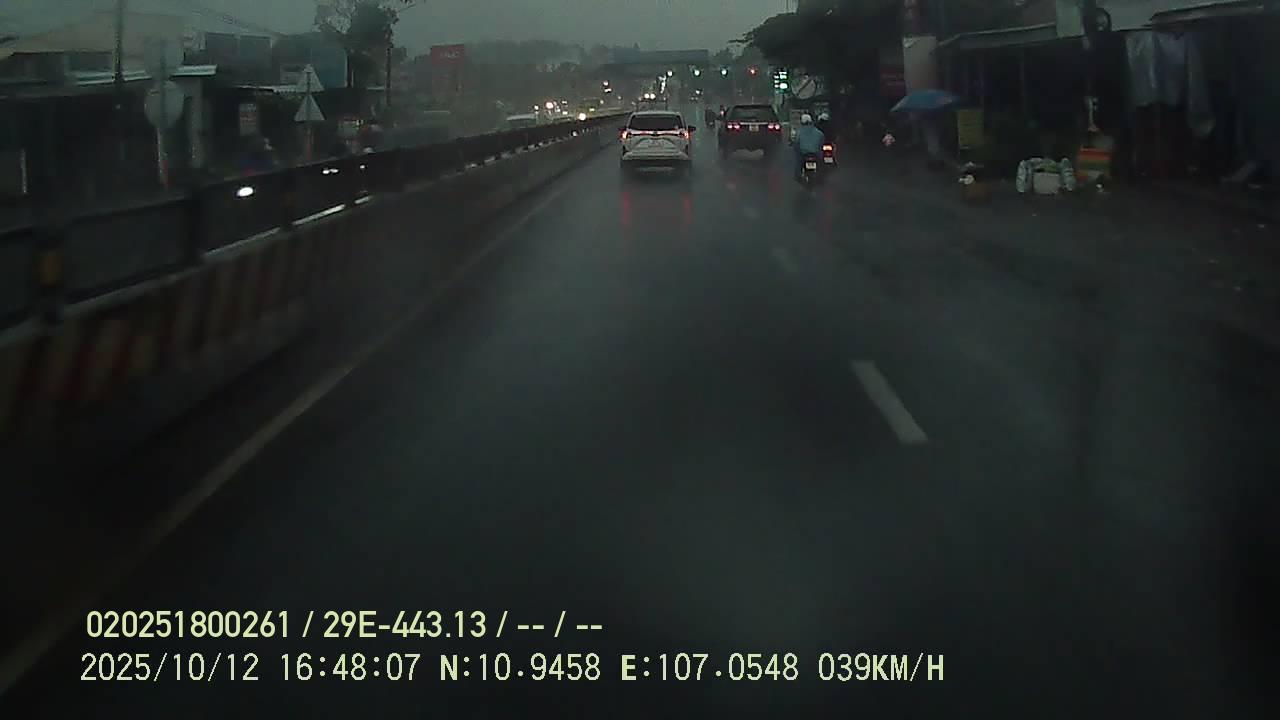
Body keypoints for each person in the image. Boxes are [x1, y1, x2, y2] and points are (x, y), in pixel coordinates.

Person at [793, 113, 825, 180]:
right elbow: (822, 139)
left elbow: (796, 142)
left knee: (798, 162)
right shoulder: (817, 132)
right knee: (821, 162)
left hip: (804, 154)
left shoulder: (799, 132)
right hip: (816, 154)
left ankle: (799, 175)